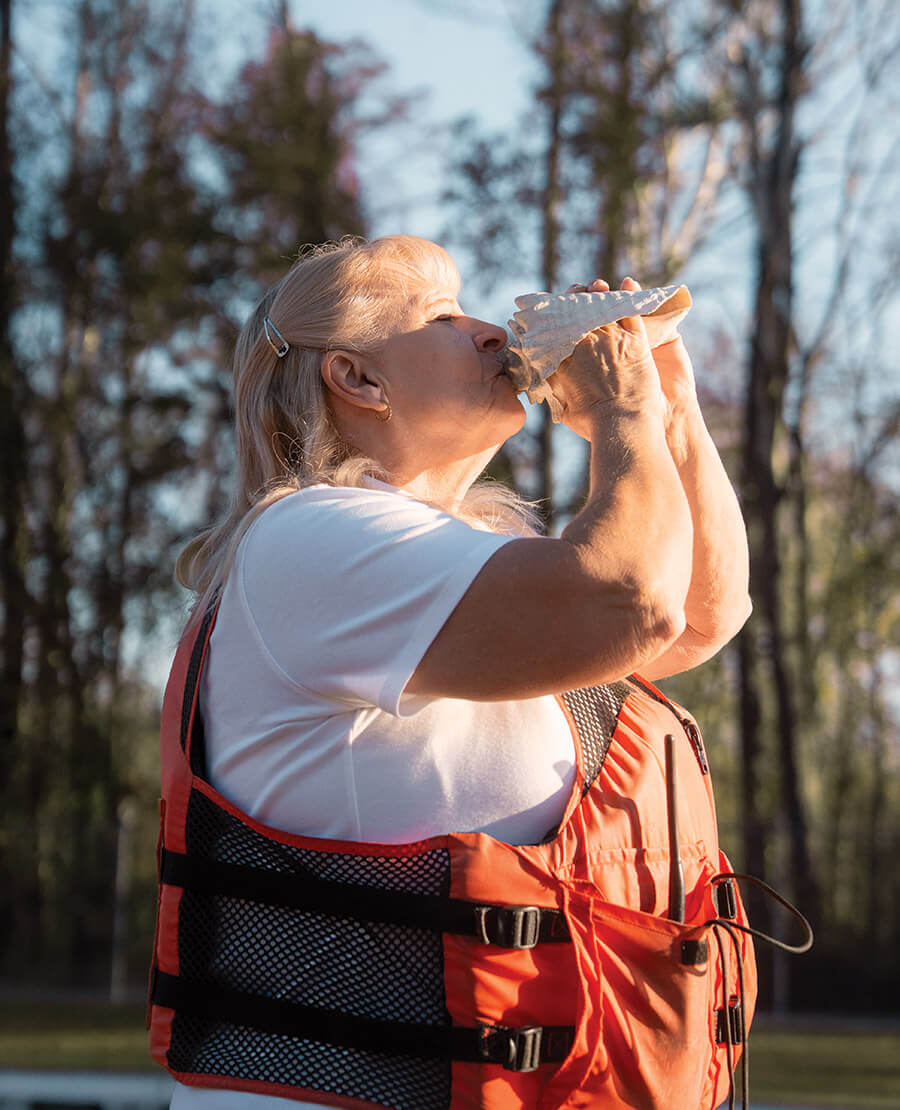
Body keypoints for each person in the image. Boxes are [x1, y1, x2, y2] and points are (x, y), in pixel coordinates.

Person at [149, 234, 758, 1110]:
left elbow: (702, 612)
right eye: (442, 316)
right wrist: (619, 413)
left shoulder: (459, 563)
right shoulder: (309, 538)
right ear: (357, 379)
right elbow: (634, 601)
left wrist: (669, 409)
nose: (485, 331)